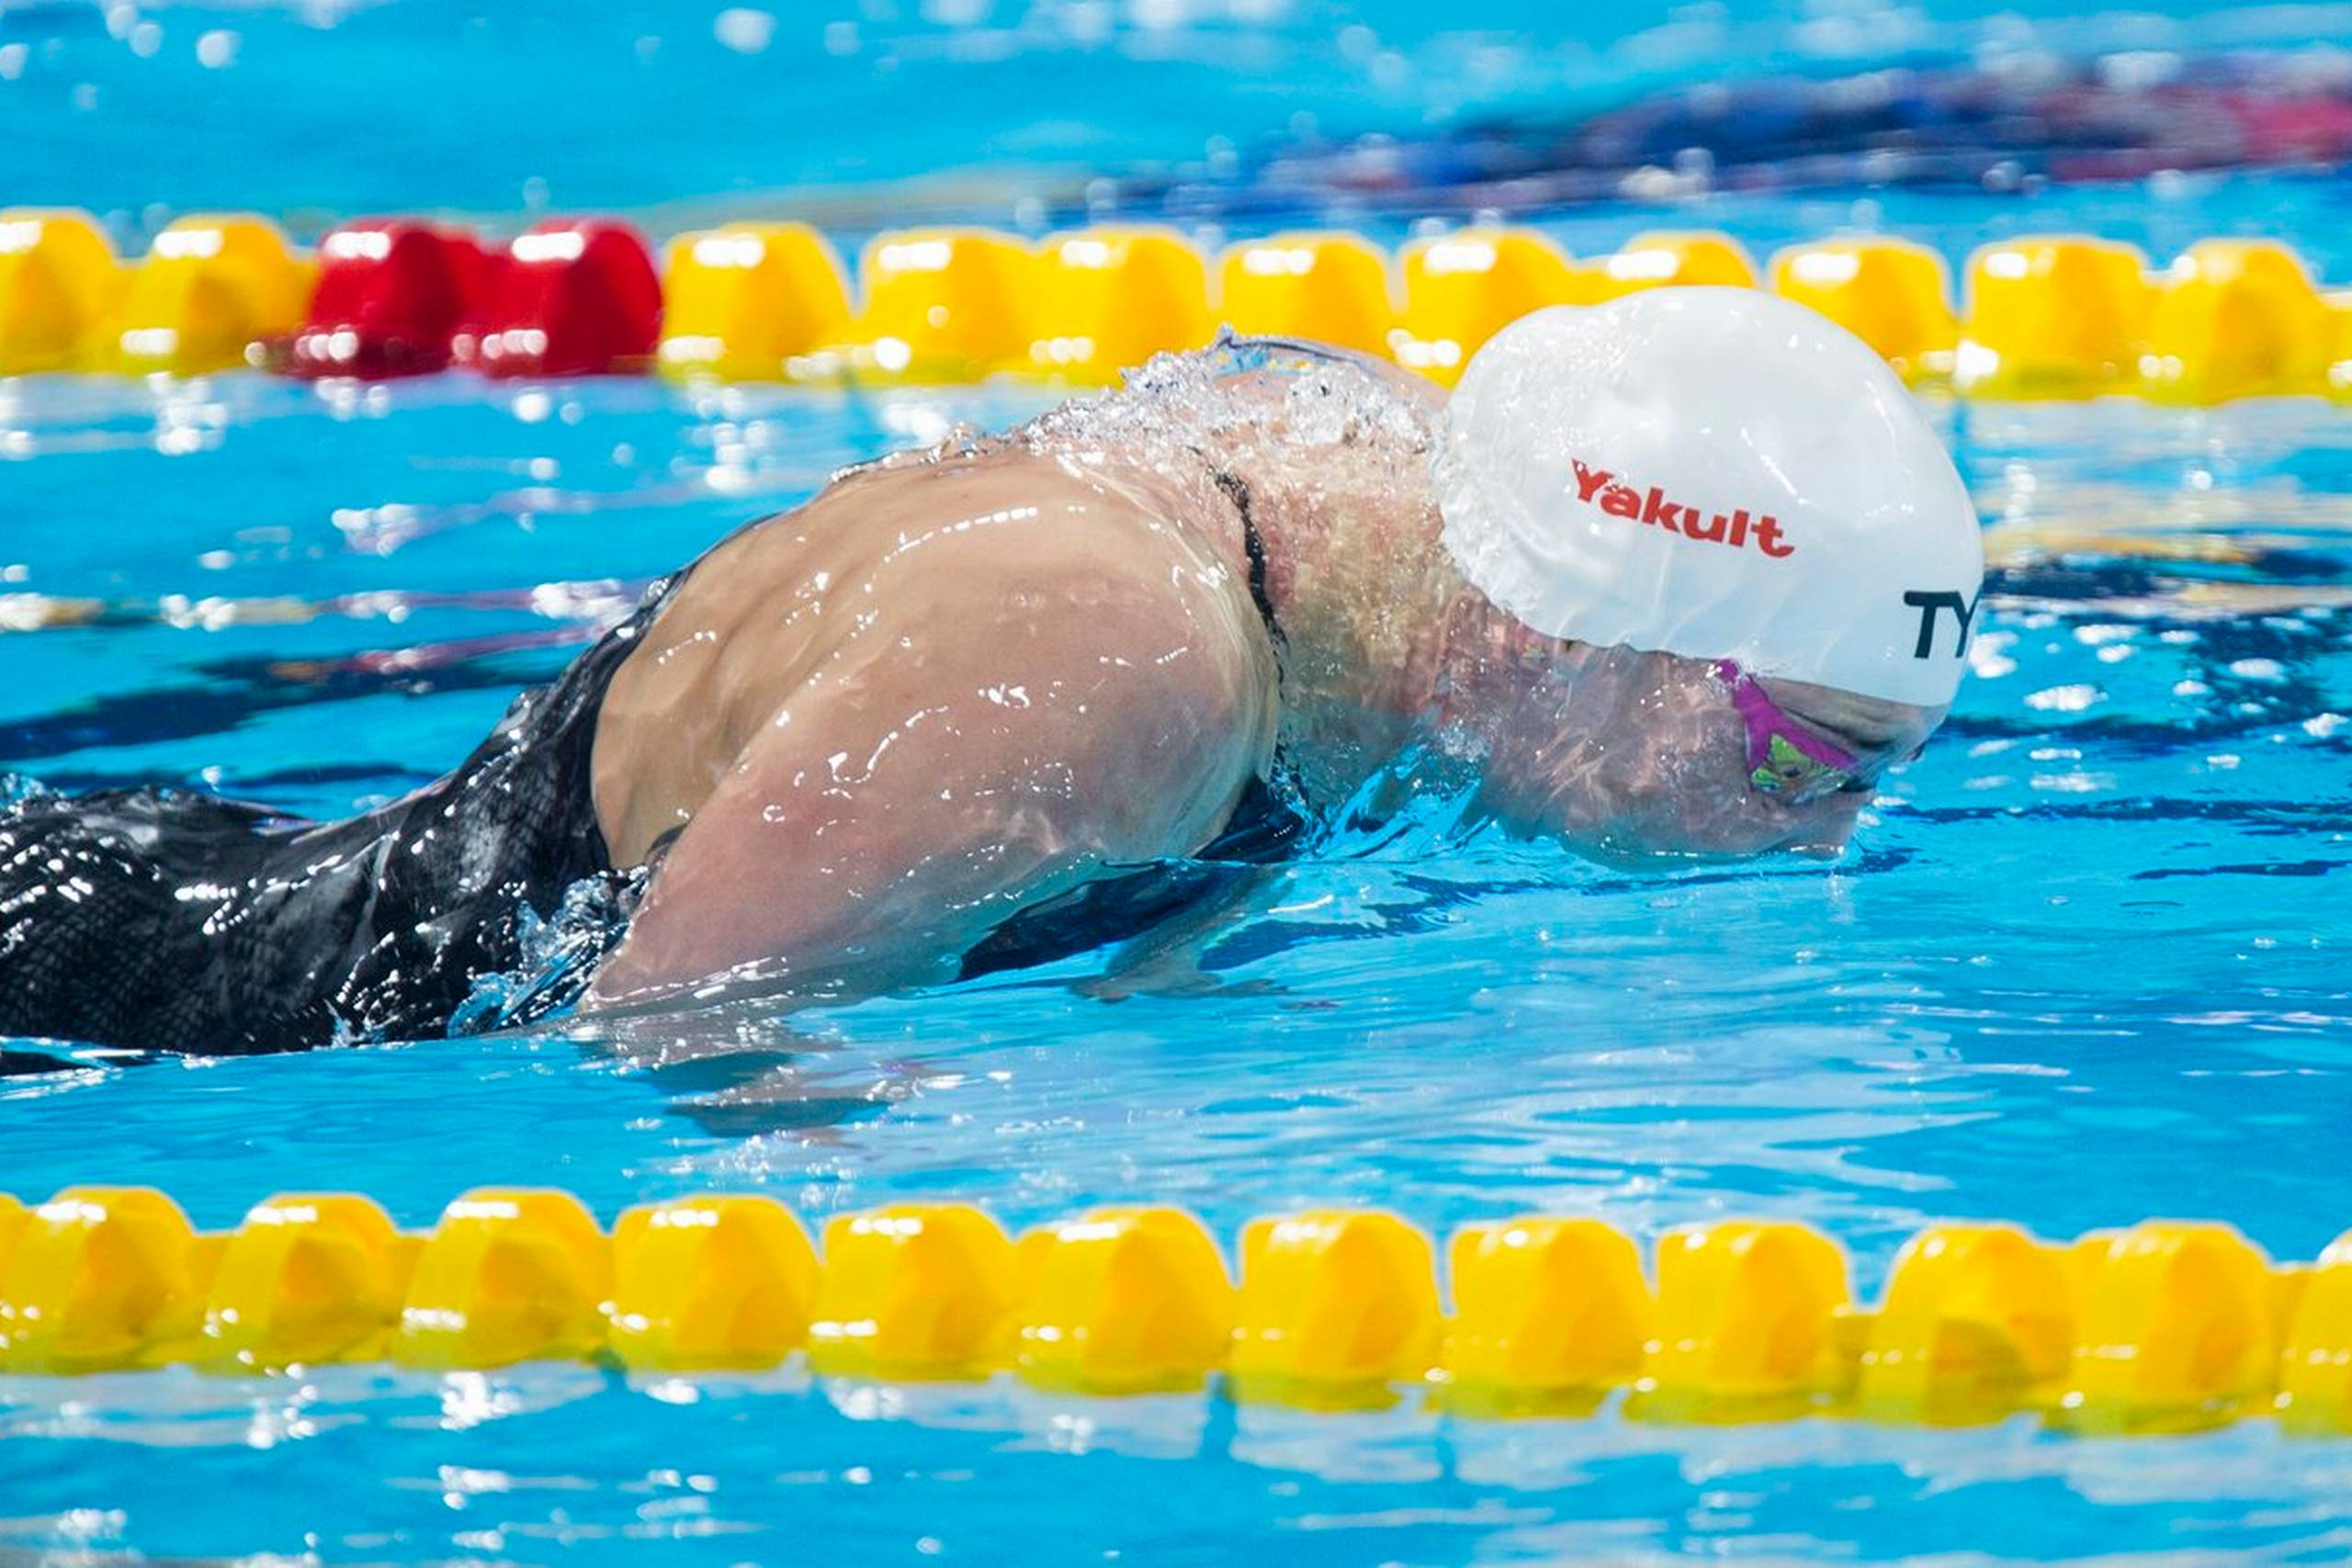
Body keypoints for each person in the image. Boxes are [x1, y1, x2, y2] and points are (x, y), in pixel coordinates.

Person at [0, 288, 1983, 1055]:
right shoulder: (1115, 650)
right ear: (1594, 627)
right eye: (1808, 757)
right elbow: (668, 1026)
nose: (1824, 837)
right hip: (132, 1004)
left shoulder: (1378, 551)